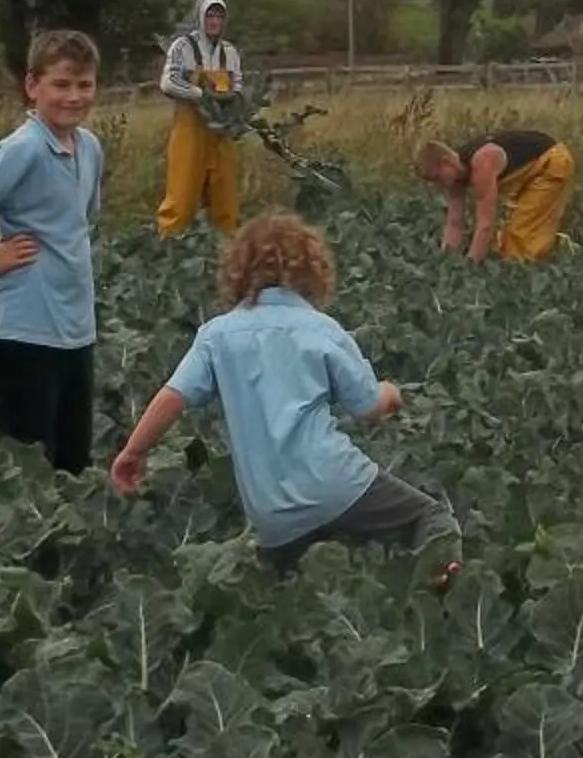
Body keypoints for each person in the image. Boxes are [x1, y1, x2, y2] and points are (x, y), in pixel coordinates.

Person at [109, 210, 462, 590]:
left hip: (273, 515)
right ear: (312, 268)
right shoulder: (320, 328)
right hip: (336, 485)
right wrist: (391, 394)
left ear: (237, 270)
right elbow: (368, 408)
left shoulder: (217, 335)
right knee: (431, 519)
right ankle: (436, 589)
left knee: (292, 596)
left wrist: (133, 453)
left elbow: (171, 397)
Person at [0, 28, 107, 473]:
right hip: (23, 329)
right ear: (33, 85)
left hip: (74, 328)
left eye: (84, 84)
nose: (73, 96)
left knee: (72, 464)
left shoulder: (89, 148)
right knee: (28, 470)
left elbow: (80, 220)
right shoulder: (24, 148)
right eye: (61, 84)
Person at [156, 0, 245, 241]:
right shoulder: (183, 47)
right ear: (199, 17)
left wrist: (234, 102)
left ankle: (224, 252)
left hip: (221, 134)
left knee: (225, 201)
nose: (214, 22)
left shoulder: (230, 52)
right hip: (190, 131)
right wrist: (201, 95)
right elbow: (168, 82)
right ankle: (168, 248)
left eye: (219, 16)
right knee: (180, 200)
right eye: (210, 16)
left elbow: (238, 84)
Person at [415, 128, 575, 263]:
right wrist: (445, 261)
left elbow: (486, 224)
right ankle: (550, 248)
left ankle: (531, 271)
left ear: (446, 162)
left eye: (437, 177)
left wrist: (470, 265)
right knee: (504, 239)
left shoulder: (482, 163)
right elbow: (455, 223)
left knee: (520, 236)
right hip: (526, 174)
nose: (439, 184)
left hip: (551, 161)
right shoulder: (453, 176)